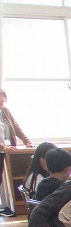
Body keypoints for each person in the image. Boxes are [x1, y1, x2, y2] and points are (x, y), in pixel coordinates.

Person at [0, 88, 34, 216]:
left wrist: (27, 141)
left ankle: (5, 206)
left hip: (7, 149)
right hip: (2, 148)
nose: (2, 103)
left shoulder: (5, 111)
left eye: (3, 100)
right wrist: (3, 147)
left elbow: (15, 126)